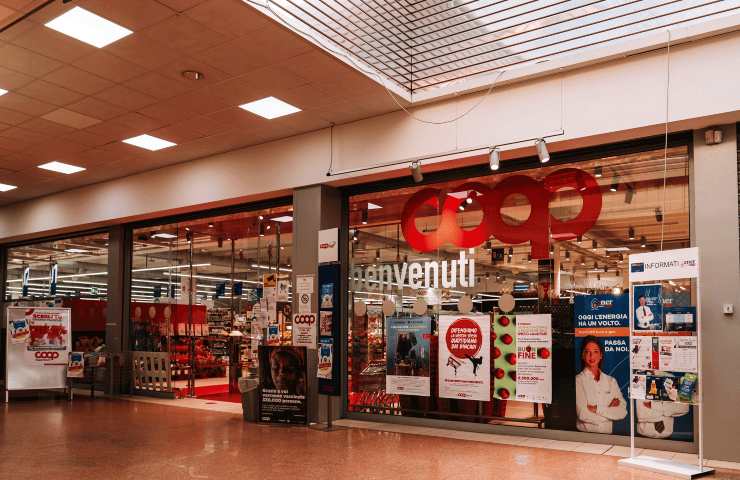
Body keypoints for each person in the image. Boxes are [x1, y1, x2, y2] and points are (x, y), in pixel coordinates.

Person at [575, 336, 628, 433]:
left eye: (595, 351)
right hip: (585, 436)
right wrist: (609, 413)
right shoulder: (578, 380)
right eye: (587, 352)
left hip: (608, 437)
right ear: (582, 355)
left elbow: (622, 412)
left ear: (601, 355)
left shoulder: (611, 381)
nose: (591, 356)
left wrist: (597, 409)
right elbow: (582, 414)